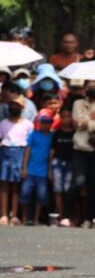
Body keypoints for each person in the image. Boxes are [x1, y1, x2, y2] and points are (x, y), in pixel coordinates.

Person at [64, 80, 95, 228]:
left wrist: (85, 122)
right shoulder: (78, 103)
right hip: (80, 148)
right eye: (90, 86)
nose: (92, 88)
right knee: (77, 182)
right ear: (85, 88)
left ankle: (89, 218)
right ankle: (66, 216)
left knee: (94, 185)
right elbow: (77, 124)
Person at [0, 96, 34, 226]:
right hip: (5, 152)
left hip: (20, 153)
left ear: (22, 108)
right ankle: (3, 214)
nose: (14, 108)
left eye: (17, 106)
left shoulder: (28, 124)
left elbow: (30, 145)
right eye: (12, 105)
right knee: (4, 185)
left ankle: (14, 214)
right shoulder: (3, 123)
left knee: (15, 186)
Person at [20, 109, 54, 225]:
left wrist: (50, 171)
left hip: (43, 172)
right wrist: (24, 168)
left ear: (51, 122)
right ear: (39, 122)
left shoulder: (52, 136)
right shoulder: (33, 134)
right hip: (30, 170)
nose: (45, 124)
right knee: (25, 194)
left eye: (48, 121)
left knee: (41, 196)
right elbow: (27, 152)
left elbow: (51, 156)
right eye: (43, 121)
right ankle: (24, 217)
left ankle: (35, 218)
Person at [51, 106, 75, 225]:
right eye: (63, 117)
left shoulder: (75, 133)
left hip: (70, 165)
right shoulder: (57, 133)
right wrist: (50, 169)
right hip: (57, 164)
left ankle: (68, 215)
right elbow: (52, 151)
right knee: (58, 191)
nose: (66, 119)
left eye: (68, 116)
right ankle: (61, 216)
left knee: (68, 191)